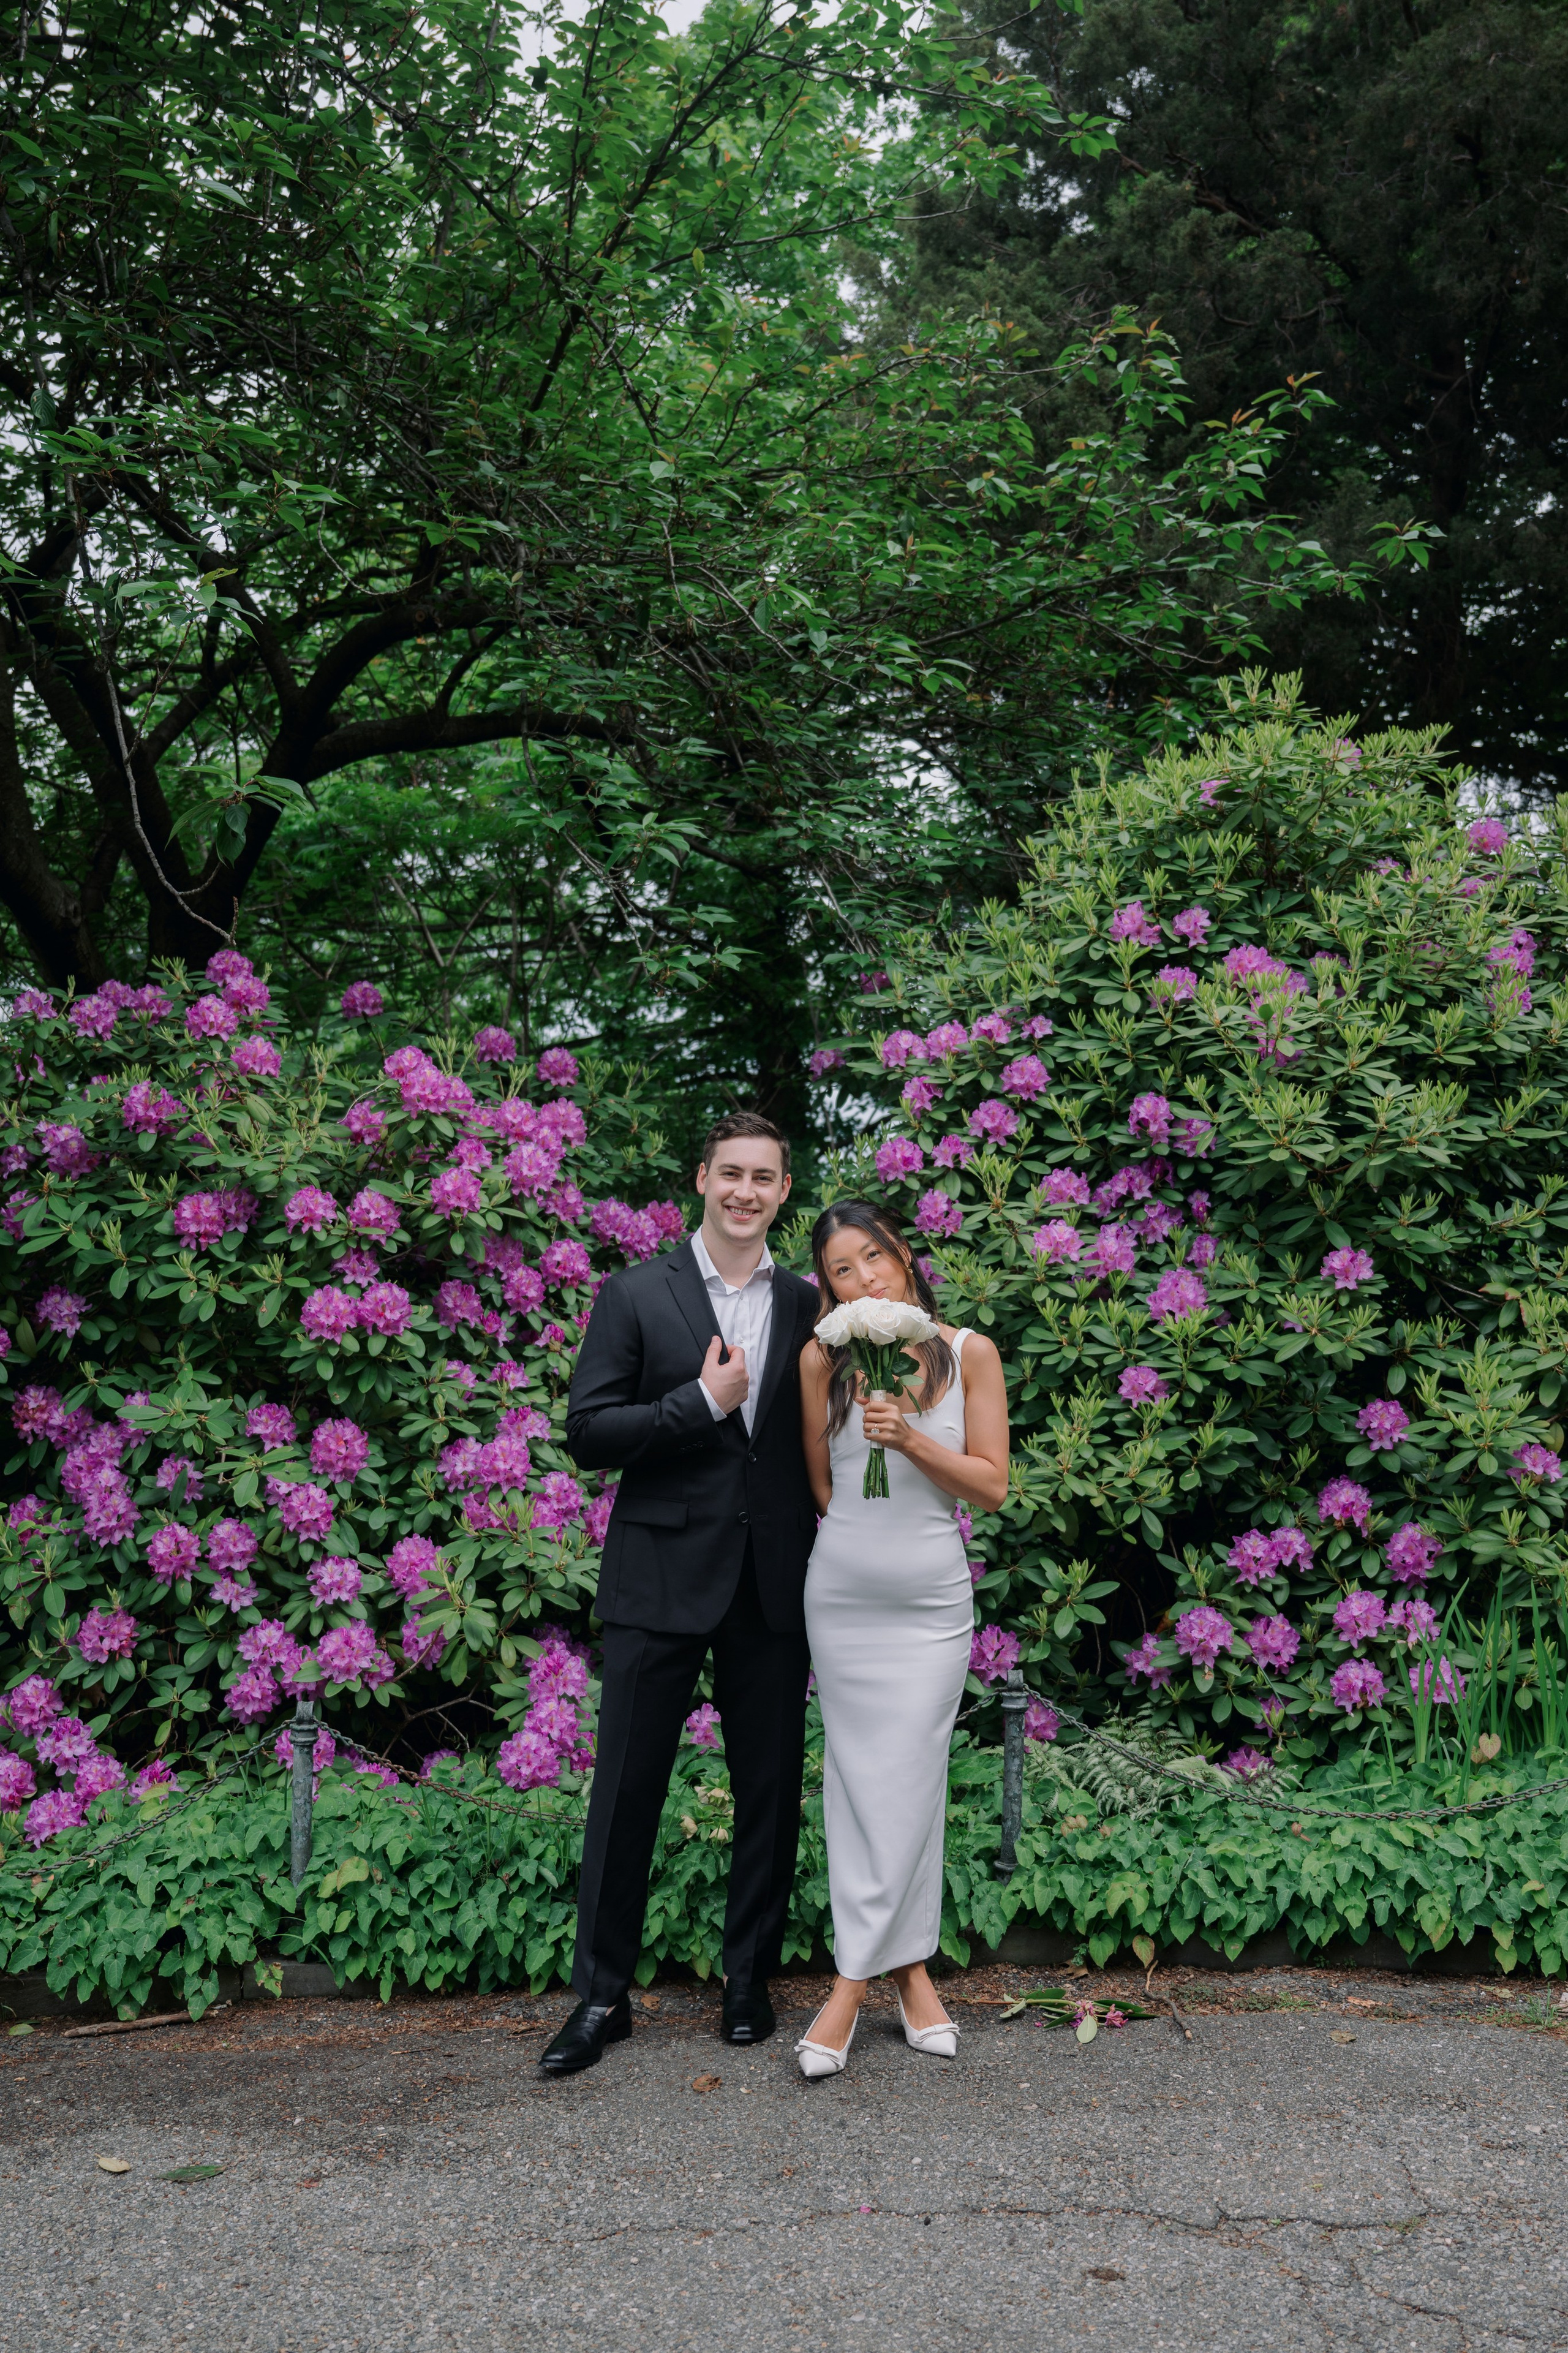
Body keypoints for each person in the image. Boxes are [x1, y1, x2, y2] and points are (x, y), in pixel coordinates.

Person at [541, 1112, 821, 2076]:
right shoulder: (634, 1293)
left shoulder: (809, 1303)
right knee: (626, 1792)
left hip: (772, 1581)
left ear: (785, 1191)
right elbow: (587, 1430)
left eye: (764, 1177)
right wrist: (697, 1405)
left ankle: (748, 1980)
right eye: (730, 1173)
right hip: (658, 1575)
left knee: (768, 1792)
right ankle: (602, 1997)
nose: (745, 1191)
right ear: (701, 1179)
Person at [793, 1199, 1010, 2079]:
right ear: (830, 1288)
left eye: (873, 1257)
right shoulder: (822, 1360)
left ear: (905, 1256)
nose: (865, 1277)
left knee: (912, 1781)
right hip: (843, 1597)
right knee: (853, 1781)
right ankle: (913, 1975)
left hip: (930, 1605)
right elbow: (824, 1487)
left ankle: (849, 1985)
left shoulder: (970, 1353)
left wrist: (910, 1438)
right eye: (843, 1269)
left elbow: (991, 1486)